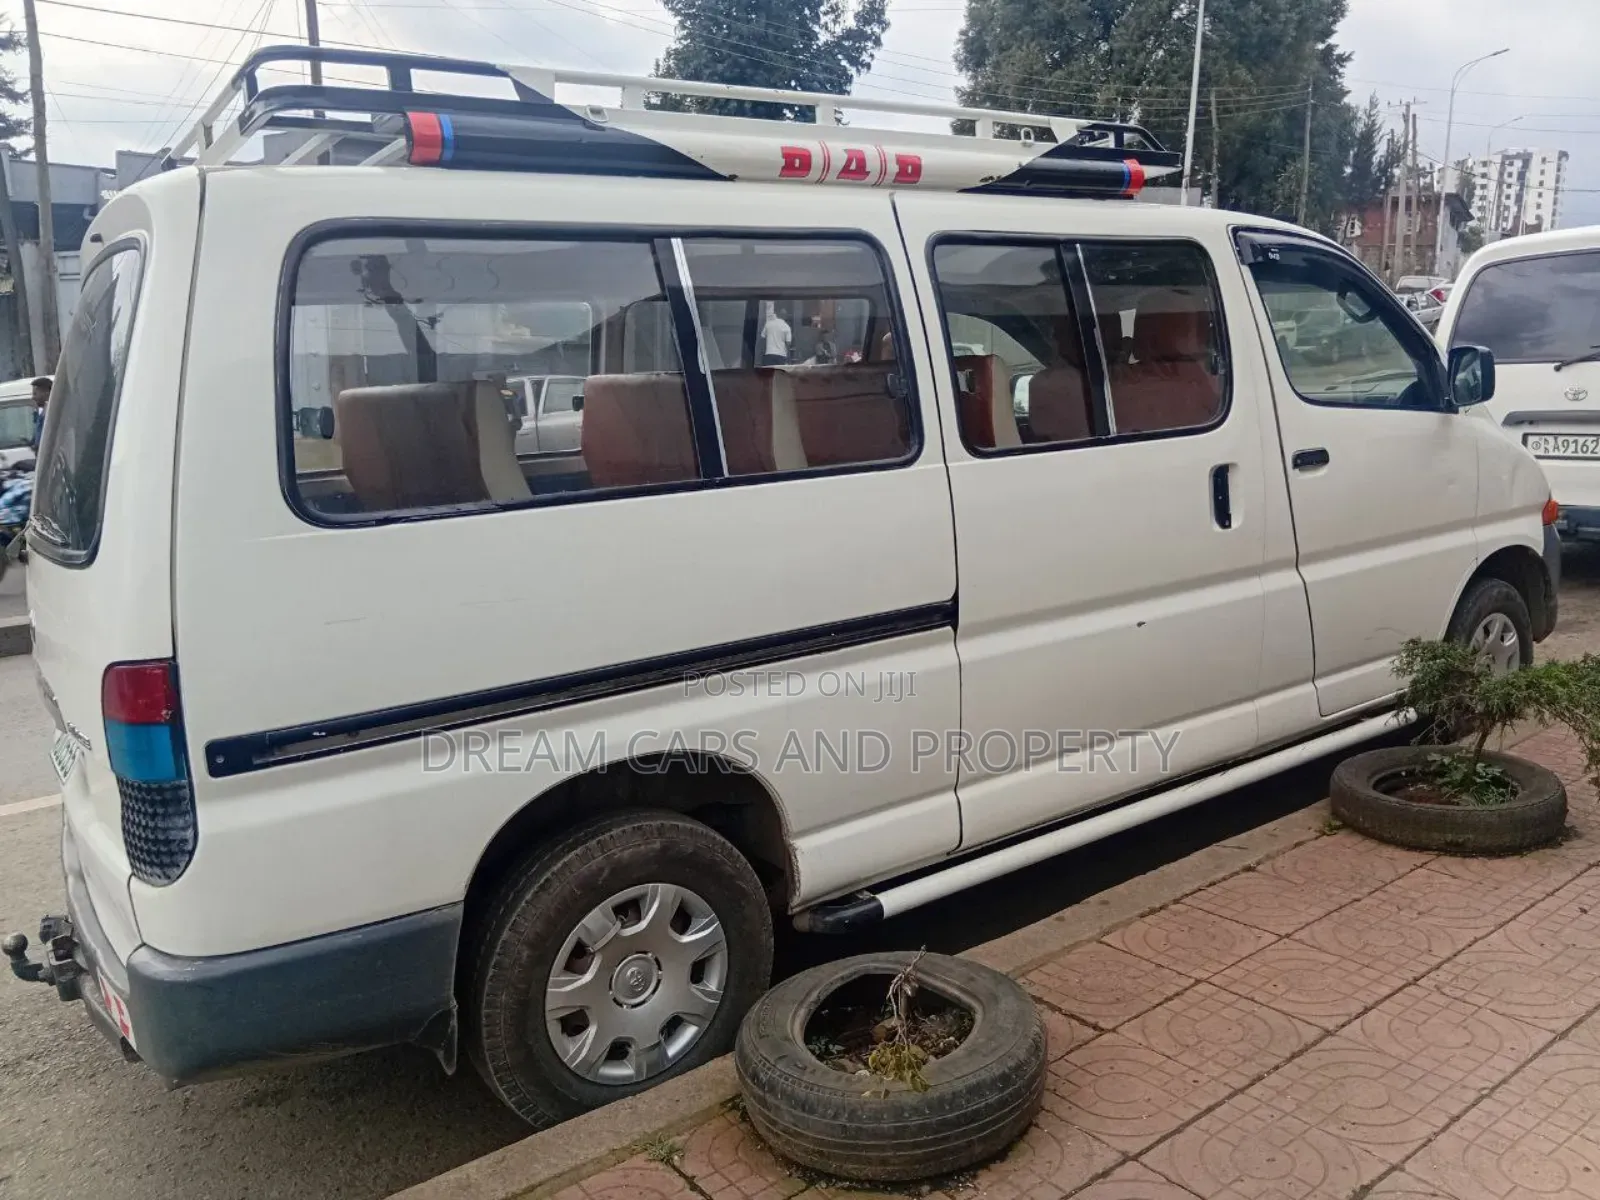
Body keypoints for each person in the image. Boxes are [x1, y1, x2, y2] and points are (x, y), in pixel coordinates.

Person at [30, 377, 50, 451]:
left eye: (35, 394)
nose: (33, 397)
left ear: (46, 393)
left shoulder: (50, 414)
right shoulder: (41, 412)